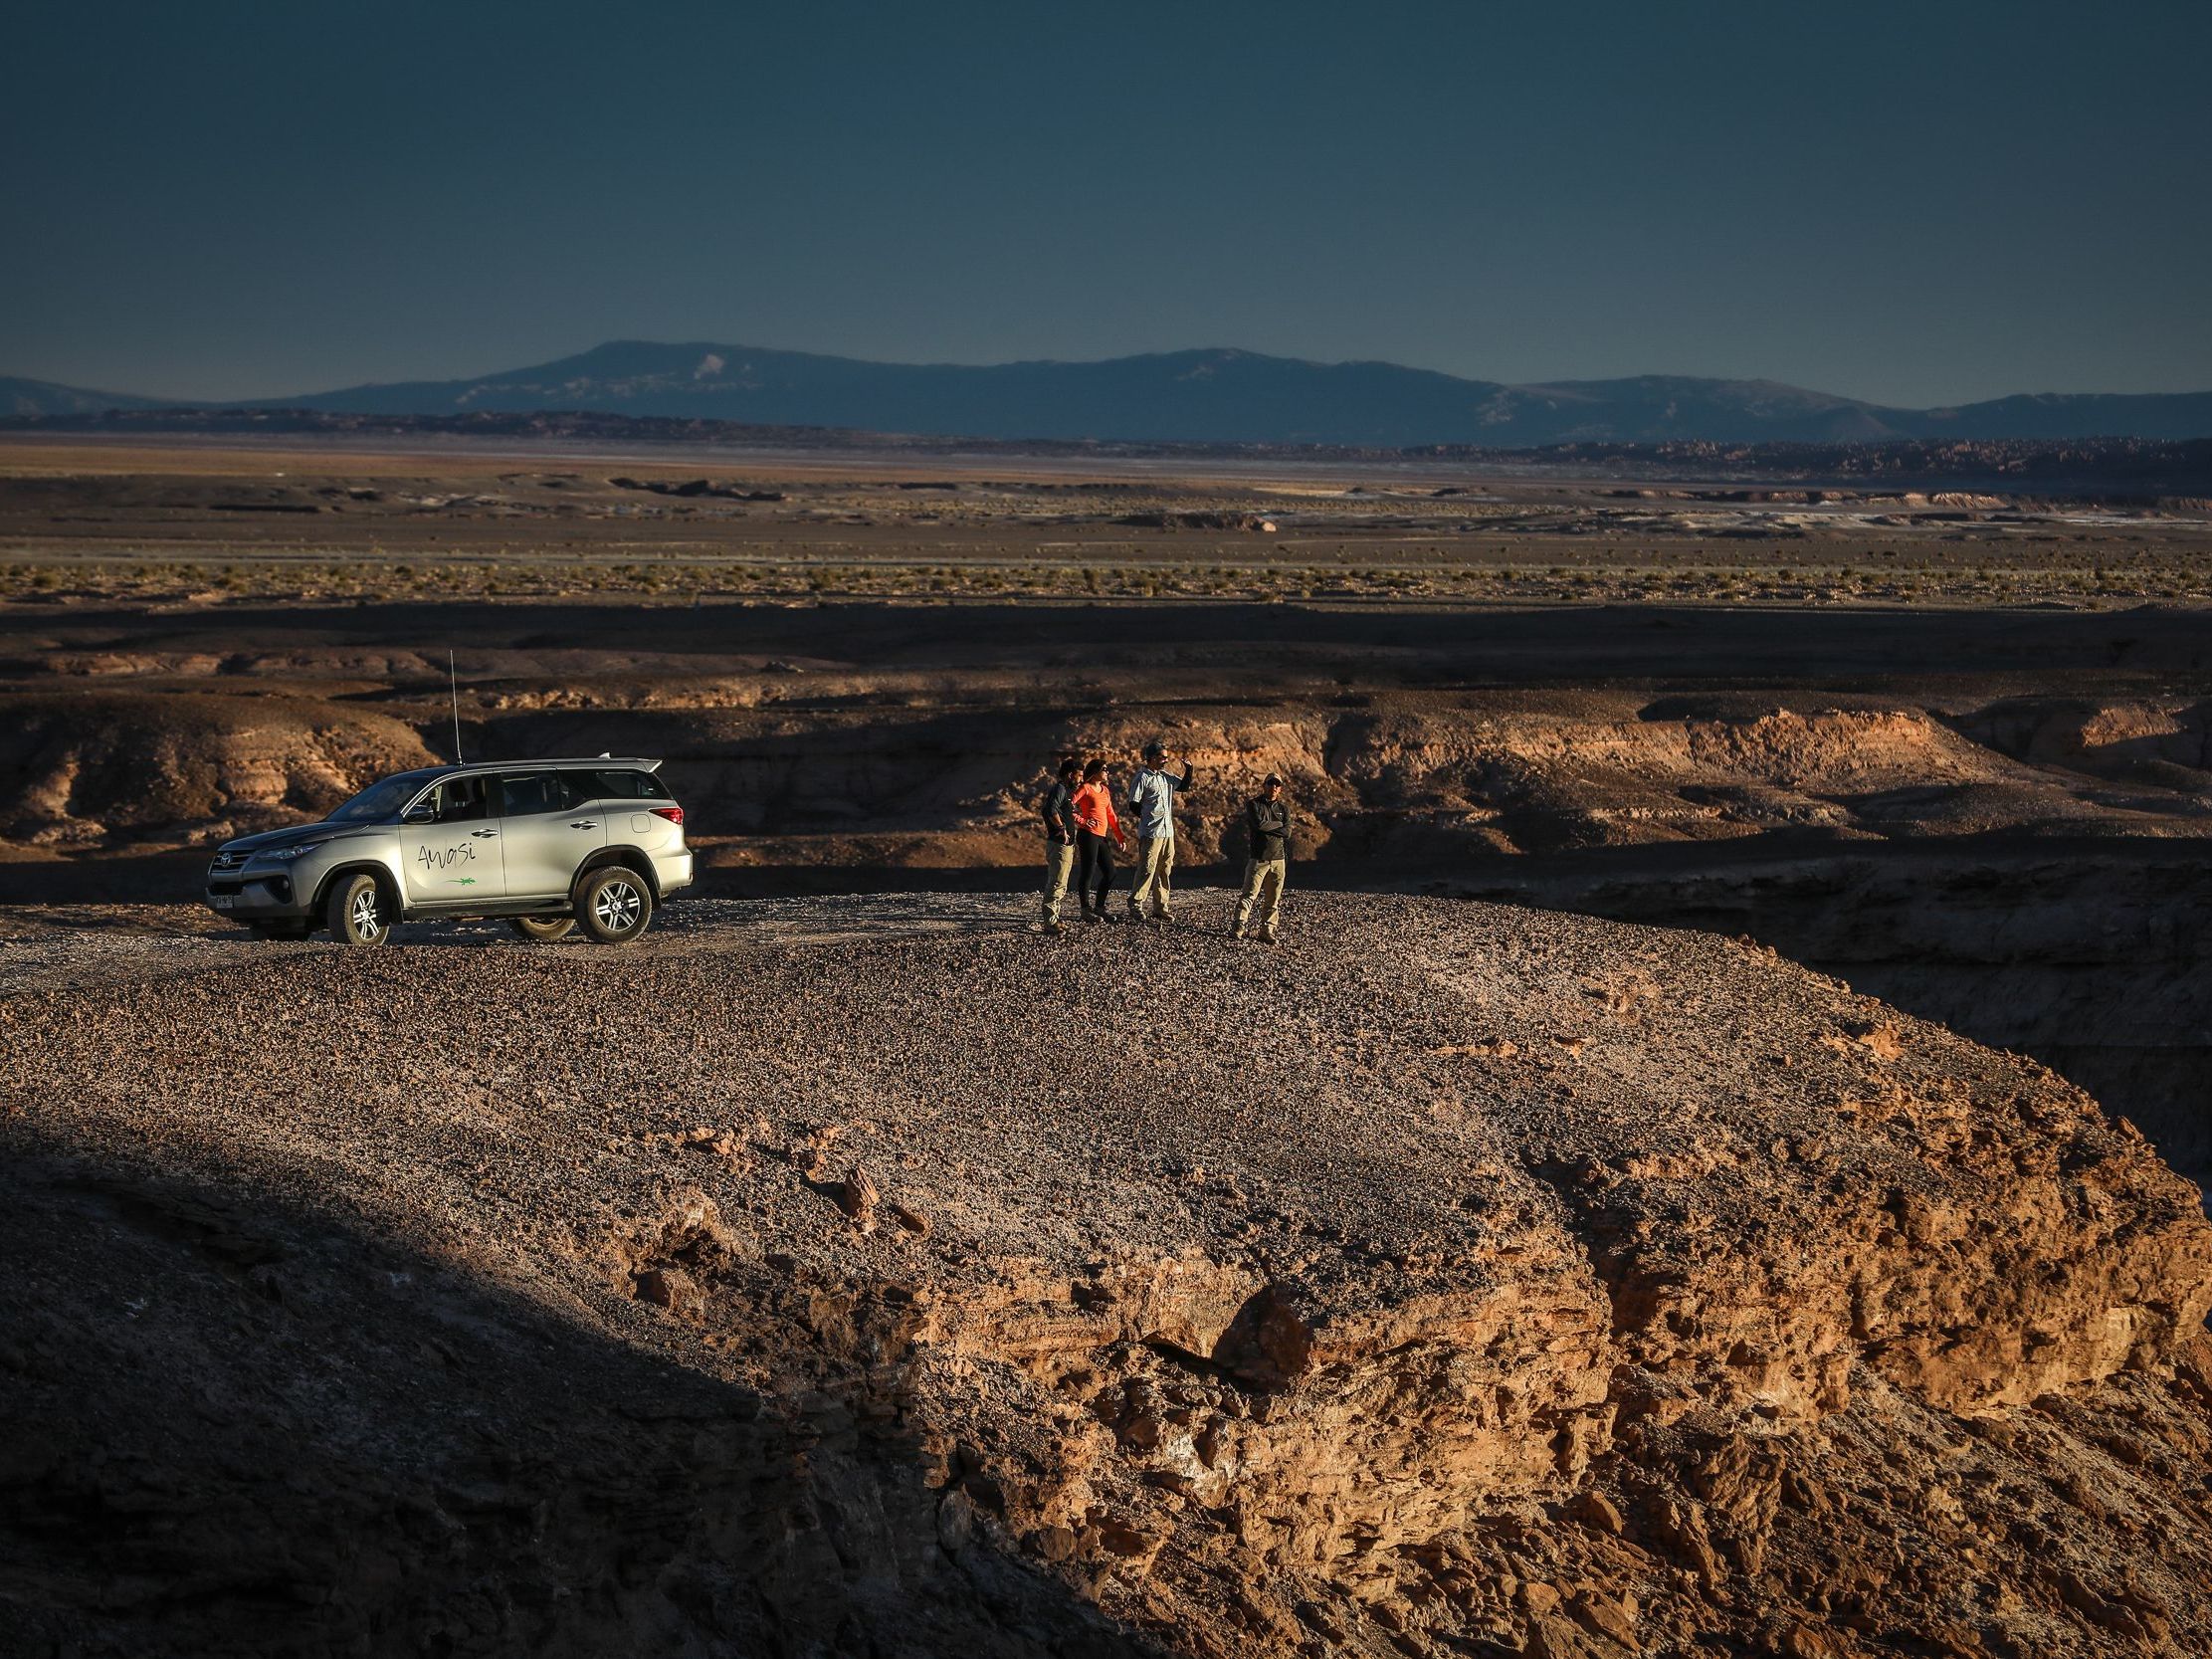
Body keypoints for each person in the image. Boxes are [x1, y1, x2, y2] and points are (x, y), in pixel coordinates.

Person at [1125, 738, 1194, 924]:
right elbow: (1133, 803)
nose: (1166, 760)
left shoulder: (1165, 776)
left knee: (1165, 869)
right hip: (1151, 832)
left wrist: (1189, 770)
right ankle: (1136, 904)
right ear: (1152, 758)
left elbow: (1184, 787)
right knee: (1147, 868)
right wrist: (1147, 818)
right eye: (1162, 757)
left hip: (1168, 831)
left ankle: (1160, 907)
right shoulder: (1142, 778)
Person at [1232, 772, 1293, 942]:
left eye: (1277, 784)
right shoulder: (1254, 805)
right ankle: (1239, 925)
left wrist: (1270, 826)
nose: (1274, 787)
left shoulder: (1283, 809)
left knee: (1273, 898)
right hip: (1259, 858)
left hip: (1279, 859)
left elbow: (1287, 832)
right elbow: (1258, 825)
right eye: (1270, 783)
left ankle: (1267, 930)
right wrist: (1278, 825)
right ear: (1264, 785)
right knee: (1249, 894)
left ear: (1280, 788)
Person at [1071, 757, 1126, 924]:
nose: (1107, 772)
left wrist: (1119, 835)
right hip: (1087, 834)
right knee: (1088, 872)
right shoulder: (1085, 788)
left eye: (1107, 769)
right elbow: (1067, 805)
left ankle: (1099, 908)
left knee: (1111, 872)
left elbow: (1111, 815)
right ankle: (1085, 910)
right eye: (1104, 769)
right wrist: (1082, 820)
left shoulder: (1105, 790)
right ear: (1094, 772)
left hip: (1101, 836)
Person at [1039, 756, 1081, 933]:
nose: (1081, 779)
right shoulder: (1060, 789)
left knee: (1061, 883)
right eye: (1079, 775)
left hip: (1066, 845)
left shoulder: (1066, 791)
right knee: (1056, 882)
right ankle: (1050, 921)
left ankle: (1055, 917)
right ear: (1070, 775)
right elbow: (1049, 810)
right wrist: (1062, 828)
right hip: (1059, 845)